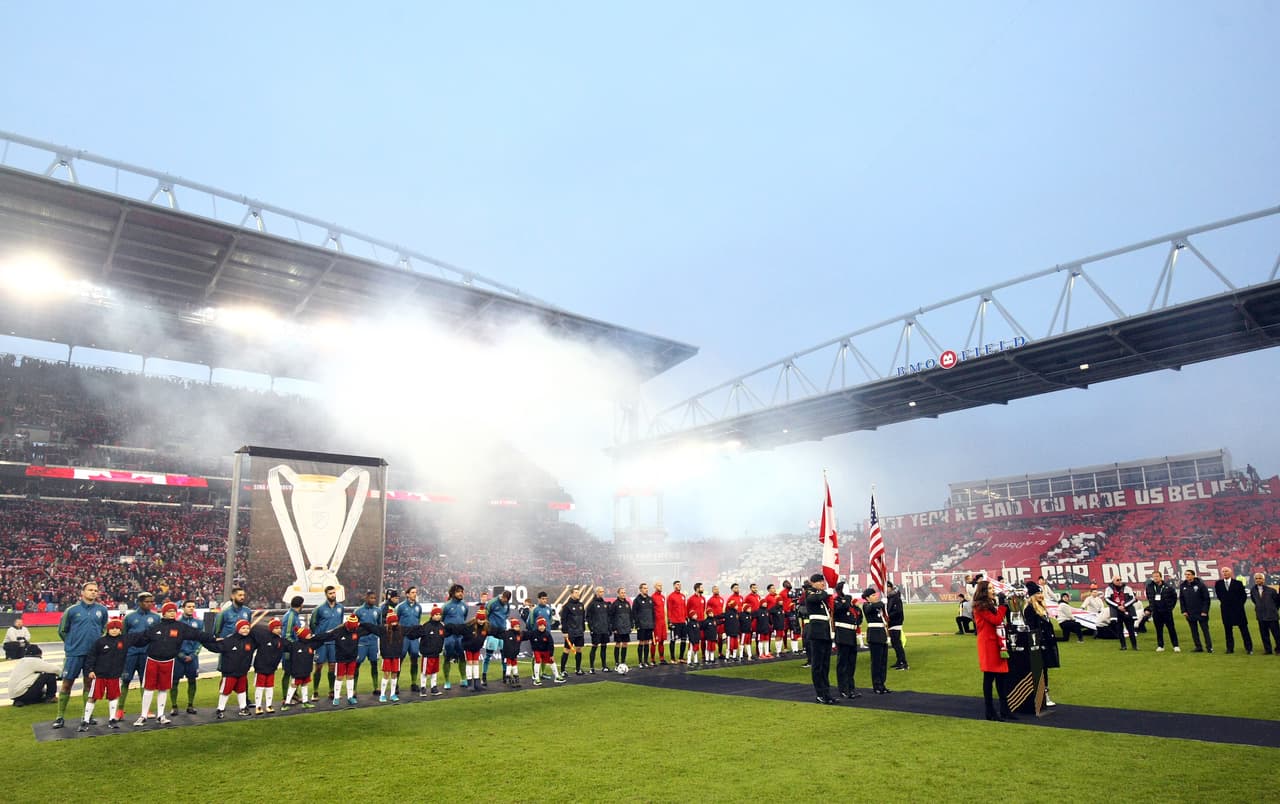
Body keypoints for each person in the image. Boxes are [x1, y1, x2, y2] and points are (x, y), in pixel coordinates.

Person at [130, 600, 218, 726]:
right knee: (148, 688)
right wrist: (126, 642)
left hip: (168, 661)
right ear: (164, 613)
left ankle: (161, 715)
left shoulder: (180, 627)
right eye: (169, 611)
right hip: (152, 661)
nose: (172, 613)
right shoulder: (155, 627)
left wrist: (213, 639)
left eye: (174, 611)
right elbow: (141, 639)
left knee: (163, 689)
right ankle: (143, 715)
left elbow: (197, 635)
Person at [53, 580, 109, 729]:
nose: (93, 592)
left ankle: (87, 716)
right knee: (67, 684)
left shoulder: (102, 610)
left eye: (96, 590)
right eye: (90, 590)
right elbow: (62, 630)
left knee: (89, 685)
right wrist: (71, 644)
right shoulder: (71, 610)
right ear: (82, 593)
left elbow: (103, 629)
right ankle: (59, 717)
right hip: (74, 654)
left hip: (93, 655)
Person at [973, 580, 1015, 721]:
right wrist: (1003, 607)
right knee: (989, 677)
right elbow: (996, 620)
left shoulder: (990, 605)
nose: (993, 590)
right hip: (988, 644)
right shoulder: (980, 606)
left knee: (1001, 678)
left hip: (997, 643)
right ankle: (990, 711)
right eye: (990, 588)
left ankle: (1004, 710)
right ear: (984, 591)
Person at [82, 618, 127, 730]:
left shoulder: (124, 641)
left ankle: (112, 719)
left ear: (121, 630)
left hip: (114, 675)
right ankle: (85, 720)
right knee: (92, 697)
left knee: (113, 697)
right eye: (112, 628)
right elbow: (91, 656)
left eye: (117, 628)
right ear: (108, 629)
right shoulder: (100, 642)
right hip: (100, 675)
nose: (115, 630)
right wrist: (90, 670)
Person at [121, 591, 161, 718]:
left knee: (146, 682)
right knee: (125, 681)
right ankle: (119, 710)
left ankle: (146, 710)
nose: (150, 604)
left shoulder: (156, 618)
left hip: (147, 654)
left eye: (151, 602)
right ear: (139, 602)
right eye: (146, 602)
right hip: (131, 654)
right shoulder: (129, 617)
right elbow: (124, 636)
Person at [208, 619, 256, 718]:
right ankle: (220, 709)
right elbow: (216, 648)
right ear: (237, 629)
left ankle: (243, 708)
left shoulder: (251, 641)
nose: (246, 630)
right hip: (230, 672)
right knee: (225, 691)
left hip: (242, 672)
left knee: (242, 690)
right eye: (243, 628)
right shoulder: (229, 640)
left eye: (247, 628)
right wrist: (205, 641)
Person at [1021, 582, 1059, 707]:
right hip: (1038, 644)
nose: (1041, 595)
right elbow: (1032, 628)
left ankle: (1045, 695)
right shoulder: (1030, 609)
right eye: (1038, 593)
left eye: (1041, 592)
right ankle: (1040, 696)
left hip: (1047, 643)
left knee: (1045, 669)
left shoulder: (1042, 607)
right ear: (1032, 595)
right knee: (1039, 670)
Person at [314, 614, 363, 706]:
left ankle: (350, 697)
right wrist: (313, 637)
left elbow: (370, 628)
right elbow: (326, 635)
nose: (353, 629)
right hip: (341, 659)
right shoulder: (338, 631)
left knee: (350, 677)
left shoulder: (358, 630)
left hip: (352, 658)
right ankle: (336, 698)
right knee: (339, 677)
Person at [308, 585, 345, 699]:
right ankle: (315, 691)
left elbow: (341, 624)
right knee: (318, 667)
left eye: (334, 593)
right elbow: (312, 624)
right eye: (330, 593)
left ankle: (331, 691)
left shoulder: (341, 607)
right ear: (326, 595)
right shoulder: (319, 609)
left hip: (334, 642)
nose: (333, 595)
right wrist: (319, 636)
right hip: (322, 643)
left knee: (332, 666)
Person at [804, 574, 835, 704]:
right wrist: (826, 592)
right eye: (820, 581)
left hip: (825, 633)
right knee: (818, 665)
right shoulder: (810, 594)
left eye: (823, 581)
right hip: (817, 633)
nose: (823, 583)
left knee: (825, 665)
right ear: (813, 583)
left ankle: (826, 693)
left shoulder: (821, 596)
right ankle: (820, 694)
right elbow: (818, 597)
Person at [832, 581, 862, 700]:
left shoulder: (849, 603)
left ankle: (851, 688)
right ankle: (843, 689)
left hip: (851, 634)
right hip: (842, 634)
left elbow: (858, 618)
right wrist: (847, 599)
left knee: (851, 663)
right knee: (843, 664)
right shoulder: (837, 600)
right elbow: (840, 608)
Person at [1214, 566, 1254, 655]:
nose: (1225, 573)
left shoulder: (1238, 583)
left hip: (1238, 610)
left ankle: (1249, 648)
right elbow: (1219, 596)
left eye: (1226, 571)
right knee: (1228, 630)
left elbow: (1243, 596)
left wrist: (1238, 605)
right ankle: (1230, 648)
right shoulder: (1218, 584)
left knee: (1244, 629)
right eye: (1223, 571)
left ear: (1231, 572)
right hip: (1226, 610)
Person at [250, 618, 286, 714]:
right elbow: (252, 632)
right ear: (271, 628)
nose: (279, 630)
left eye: (280, 628)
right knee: (260, 687)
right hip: (261, 668)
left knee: (270, 687)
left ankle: (269, 705)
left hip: (272, 669)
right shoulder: (263, 637)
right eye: (276, 627)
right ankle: (258, 706)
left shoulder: (281, 640)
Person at [9, 643, 59, 708]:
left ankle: (21, 701)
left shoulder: (22, 661)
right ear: (38, 654)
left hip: (16, 695)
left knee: (37, 677)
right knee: (49, 675)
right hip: (24, 693)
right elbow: (55, 669)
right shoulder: (34, 661)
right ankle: (50, 697)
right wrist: (61, 675)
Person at [280, 627, 318, 709]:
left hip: (307, 670)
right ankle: (287, 703)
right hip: (297, 671)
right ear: (303, 635)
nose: (310, 635)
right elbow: (283, 643)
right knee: (293, 685)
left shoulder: (311, 644)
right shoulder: (294, 645)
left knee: (305, 684)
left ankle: (305, 702)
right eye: (308, 634)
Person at [353, 590, 383, 695]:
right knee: (357, 664)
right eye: (371, 598)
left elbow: (379, 625)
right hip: (361, 642)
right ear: (366, 598)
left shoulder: (378, 611)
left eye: (375, 598)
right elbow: (353, 626)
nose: (373, 600)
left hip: (373, 641)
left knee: (374, 664)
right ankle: (353, 689)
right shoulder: (358, 611)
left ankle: (376, 687)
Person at [862, 587, 891, 694]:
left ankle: (882, 684)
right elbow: (875, 606)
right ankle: (876, 685)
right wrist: (882, 603)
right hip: (874, 635)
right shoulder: (866, 605)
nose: (876, 596)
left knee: (883, 662)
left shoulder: (877, 606)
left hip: (881, 634)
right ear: (867, 598)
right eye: (873, 595)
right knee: (876, 662)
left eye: (875, 595)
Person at [396, 586, 424, 691]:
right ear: (407, 594)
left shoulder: (419, 607)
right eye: (412, 592)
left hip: (414, 638)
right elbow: (396, 621)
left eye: (415, 592)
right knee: (400, 659)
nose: (414, 594)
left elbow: (418, 620)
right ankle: (396, 684)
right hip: (403, 637)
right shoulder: (401, 607)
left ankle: (413, 683)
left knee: (414, 659)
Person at [1144, 571, 1181, 652]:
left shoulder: (1168, 586)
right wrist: (1152, 608)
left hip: (1166, 612)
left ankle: (1175, 645)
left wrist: (1170, 607)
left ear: (1161, 577)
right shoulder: (1149, 587)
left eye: (1157, 576)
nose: (1155, 578)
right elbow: (1149, 597)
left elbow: (1174, 597)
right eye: (1154, 576)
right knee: (1159, 629)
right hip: (1156, 612)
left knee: (1171, 628)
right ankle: (1160, 645)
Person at [483, 590, 513, 687]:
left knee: (504, 655)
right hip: (492, 631)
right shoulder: (492, 602)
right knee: (488, 655)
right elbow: (485, 614)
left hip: (502, 631)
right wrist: (489, 626)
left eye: (507, 600)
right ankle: (484, 677)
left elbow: (507, 614)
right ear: (502, 596)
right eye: (504, 599)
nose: (505, 601)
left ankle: (505, 676)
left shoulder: (507, 604)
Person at [1179, 569, 1213, 653]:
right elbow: (1182, 599)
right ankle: (1198, 647)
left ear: (1193, 575)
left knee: (1205, 630)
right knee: (1194, 631)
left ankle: (1209, 647)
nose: (1187, 576)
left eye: (1189, 574)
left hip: (1201, 612)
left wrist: (1205, 611)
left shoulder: (1201, 585)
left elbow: (1206, 599)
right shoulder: (1183, 586)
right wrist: (1184, 611)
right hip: (1190, 612)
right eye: (1186, 574)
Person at [279, 595, 305, 704]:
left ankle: (294, 694)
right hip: (289, 650)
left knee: (294, 672)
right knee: (287, 672)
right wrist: (295, 646)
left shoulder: (294, 615)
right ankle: (285, 697)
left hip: (293, 648)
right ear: (301, 605)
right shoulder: (290, 616)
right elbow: (287, 635)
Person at [441, 584, 469, 689]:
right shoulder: (446, 606)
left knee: (462, 657)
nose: (461, 593)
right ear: (453, 593)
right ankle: (447, 681)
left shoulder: (464, 606)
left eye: (462, 591)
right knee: (447, 657)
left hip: (460, 636)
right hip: (449, 636)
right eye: (458, 591)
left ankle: (463, 679)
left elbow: (464, 618)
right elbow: (441, 619)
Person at [418, 607, 449, 695]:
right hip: (427, 653)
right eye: (436, 614)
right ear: (432, 615)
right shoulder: (426, 626)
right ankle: (423, 688)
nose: (438, 616)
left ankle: (433, 687)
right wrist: (423, 650)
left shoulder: (441, 626)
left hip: (436, 653)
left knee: (435, 670)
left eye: (439, 614)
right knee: (425, 671)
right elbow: (422, 639)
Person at [1249, 573, 1280, 655]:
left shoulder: (1272, 590)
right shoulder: (1253, 590)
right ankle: (1268, 650)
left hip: (1272, 616)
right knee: (1264, 635)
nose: (1258, 580)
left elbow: (1277, 602)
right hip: (1261, 616)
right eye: (1256, 578)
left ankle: (1278, 649)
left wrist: (1273, 610)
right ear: (1254, 580)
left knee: (1277, 634)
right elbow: (1254, 601)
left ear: (1263, 579)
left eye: (1260, 578)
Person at [1105, 578, 1139, 650]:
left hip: (1128, 610)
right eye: (1117, 580)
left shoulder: (1128, 588)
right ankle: (1123, 646)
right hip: (1116, 612)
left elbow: (1133, 598)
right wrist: (1118, 606)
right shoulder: (1108, 589)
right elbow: (1107, 599)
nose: (1119, 581)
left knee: (1131, 629)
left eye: (1120, 579)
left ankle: (1135, 646)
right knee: (1119, 630)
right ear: (1113, 581)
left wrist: (1124, 606)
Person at [559, 587, 586, 676]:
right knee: (567, 650)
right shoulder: (567, 606)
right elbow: (563, 619)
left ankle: (578, 669)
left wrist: (583, 629)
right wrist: (565, 631)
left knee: (579, 649)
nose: (578, 594)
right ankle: (562, 670)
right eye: (576, 592)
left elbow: (583, 618)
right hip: (570, 632)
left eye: (578, 592)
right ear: (571, 594)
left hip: (579, 632)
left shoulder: (581, 605)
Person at [528, 616, 560, 685]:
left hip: (546, 651)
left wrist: (551, 654)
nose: (541, 627)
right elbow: (530, 640)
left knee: (552, 661)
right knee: (538, 661)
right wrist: (534, 649)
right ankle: (536, 678)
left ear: (545, 626)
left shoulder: (547, 634)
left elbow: (551, 644)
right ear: (537, 626)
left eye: (543, 625)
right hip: (537, 651)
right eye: (540, 625)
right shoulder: (533, 633)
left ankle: (557, 677)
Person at [586, 587, 611, 673]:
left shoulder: (605, 604)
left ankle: (604, 666)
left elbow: (608, 617)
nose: (602, 593)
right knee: (594, 647)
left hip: (604, 630)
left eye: (603, 591)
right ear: (596, 593)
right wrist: (591, 628)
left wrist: (609, 628)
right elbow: (588, 617)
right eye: (600, 592)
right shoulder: (592, 604)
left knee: (604, 648)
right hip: (596, 630)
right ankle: (591, 667)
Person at [886, 581, 908, 670]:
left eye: (887, 587)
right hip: (893, 622)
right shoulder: (891, 597)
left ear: (891, 588)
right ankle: (899, 661)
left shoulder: (895, 598)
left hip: (896, 622)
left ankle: (903, 662)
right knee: (895, 643)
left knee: (897, 643)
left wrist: (888, 616)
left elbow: (897, 611)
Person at [632, 583, 656, 668]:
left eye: (647, 588)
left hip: (649, 625)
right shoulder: (637, 600)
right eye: (645, 588)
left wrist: (653, 623)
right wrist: (637, 623)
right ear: (640, 589)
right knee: (641, 642)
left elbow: (653, 612)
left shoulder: (650, 599)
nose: (646, 589)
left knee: (647, 642)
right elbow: (634, 613)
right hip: (641, 625)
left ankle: (646, 661)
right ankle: (640, 662)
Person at [609, 586, 633, 670]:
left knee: (625, 644)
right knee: (618, 644)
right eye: (622, 593)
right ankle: (617, 663)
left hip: (626, 627)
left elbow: (630, 615)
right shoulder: (615, 604)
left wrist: (631, 625)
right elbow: (611, 617)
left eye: (624, 592)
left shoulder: (627, 604)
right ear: (618, 594)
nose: (623, 594)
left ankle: (623, 662)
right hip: (618, 628)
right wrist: (614, 628)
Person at [667, 580, 688, 663]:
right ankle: (672, 658)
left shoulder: (683, 596)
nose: (679, 586)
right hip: (675, 622)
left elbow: (684, 608)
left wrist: (686, 618)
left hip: (683, 622)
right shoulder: (671, 596)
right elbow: (669, 609)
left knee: (683, 640)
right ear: (674, 586)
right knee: (673, 640)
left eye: (680, 584)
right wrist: (669, 621)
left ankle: (681, 658)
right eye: (677, 584)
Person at [651, 581, 669, 665]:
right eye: (659, 585)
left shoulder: (662, 597)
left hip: (662, 622)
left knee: (662, 641)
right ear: (655, 587)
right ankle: (652, 659)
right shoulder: (652, 597)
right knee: (655, 641)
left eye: (661, 585)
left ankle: (662, 659)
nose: (660, 587)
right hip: (656, 623)